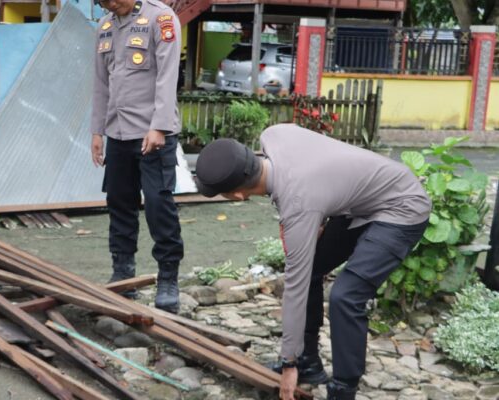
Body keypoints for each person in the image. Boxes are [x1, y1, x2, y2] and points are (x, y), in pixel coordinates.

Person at [194, 124, 431, 400]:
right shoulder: (275, 134)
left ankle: (343, 390)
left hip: (403, 207)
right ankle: (309, 363)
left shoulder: (299, 205)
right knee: (314, 269)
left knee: (345, 296)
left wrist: (288, 363)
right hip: (361, 202)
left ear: (237, 195)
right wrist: (320, 209)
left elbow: (295, 286)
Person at [91, 0, 184, 312]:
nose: (111, 4)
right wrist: (97, 131)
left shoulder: (161, 18)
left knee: (158, 204)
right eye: (103, 1)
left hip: (152, 133)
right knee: (119, 203)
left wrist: (159, 126)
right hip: (117, 132)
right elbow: (100, 83)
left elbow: (168, 77)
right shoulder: (105, 26)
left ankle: (168, 278)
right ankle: (123, 273)